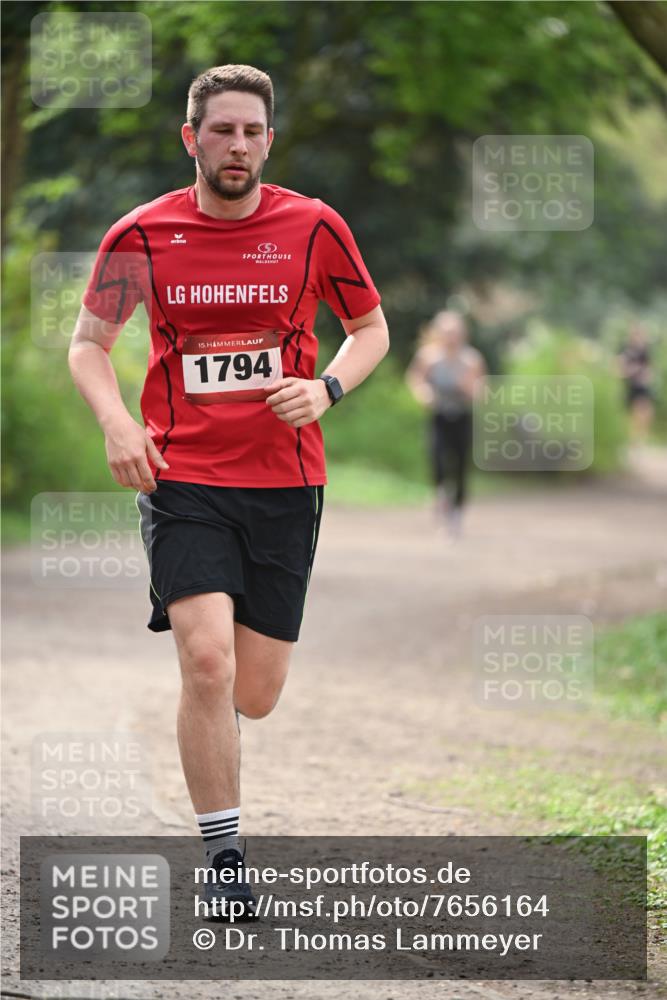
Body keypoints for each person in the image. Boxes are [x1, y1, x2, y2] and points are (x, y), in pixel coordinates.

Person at [68, 64, 389, 918]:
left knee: (254, 692)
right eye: (221, 131)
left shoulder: (314, 227)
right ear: (191, 138)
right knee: (204, 661)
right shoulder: (140, 235)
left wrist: (325, 389)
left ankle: (225, 759)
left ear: (269, 140)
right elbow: (89, 344)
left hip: (285, 480)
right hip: (182, 477)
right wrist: (116, 424)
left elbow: (369, 329)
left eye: (252, 131)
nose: (237, 145)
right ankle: (223, 857)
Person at [406, 310, 485, 536]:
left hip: (462, 418)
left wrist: (471, 389)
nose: (452, 337)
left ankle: (457, 513)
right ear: (439, 333)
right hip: (439, 417)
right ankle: (441, 497)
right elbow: (415, 378)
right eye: (447, 332)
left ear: (463, 334)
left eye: (456, 332)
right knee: (437, 459)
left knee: (460, 466)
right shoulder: (429, 357)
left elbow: (482, 389)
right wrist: (423, 393)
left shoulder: (471, 359)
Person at [618, 324, 655, 443]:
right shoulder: (626, 351)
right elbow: (621, 368)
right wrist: (633, 370)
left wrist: (647, 375)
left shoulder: (645, 351)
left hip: (643, 386)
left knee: (647, 412)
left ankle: (640, 437)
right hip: (631, 385)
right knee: (634, 414)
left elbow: (649, 369)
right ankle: (633, 438)